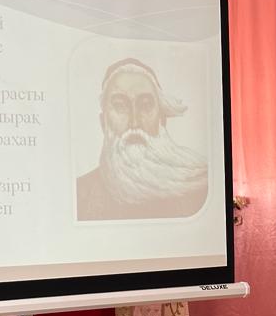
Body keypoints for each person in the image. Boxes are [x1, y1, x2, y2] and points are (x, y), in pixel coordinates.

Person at [76, 58, 208, 220]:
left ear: (162, 120)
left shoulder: (199, 192)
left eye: (145, 105)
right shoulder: (80, 195)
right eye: (120, 106)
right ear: (104, 123)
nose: (134, 122)